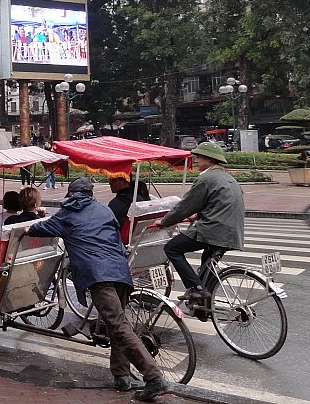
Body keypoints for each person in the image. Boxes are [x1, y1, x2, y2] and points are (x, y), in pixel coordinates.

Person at [24, 177, 168, 401]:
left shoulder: (67, 213)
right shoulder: (104, 211)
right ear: (90, 194)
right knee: (117, 324)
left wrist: (28, 227)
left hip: (98, 274)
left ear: (71, 194)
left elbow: (39, 229)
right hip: (120, 271)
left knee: (118, 326)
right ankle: (121, 375)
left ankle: (153, 377)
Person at [153, 142, 245, 302]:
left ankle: (196, 289)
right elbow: (219, 203)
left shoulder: (206, 178)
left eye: (199, 157)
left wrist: (165, 221)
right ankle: (202, 306)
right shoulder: (228, 178)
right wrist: (198, 215)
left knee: (172, 248)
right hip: (231, 231)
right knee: (206, 269)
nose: (196, 160)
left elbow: (186, 205)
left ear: (210, 160)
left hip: (213, 230)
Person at [108, 175, 151, 245]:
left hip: (120, 242)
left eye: (114, 180)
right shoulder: (139, 198)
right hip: (139, 239)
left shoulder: (115, 204)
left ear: (125, 181)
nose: (110, 183)